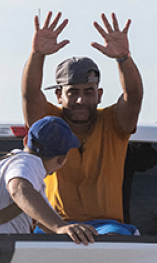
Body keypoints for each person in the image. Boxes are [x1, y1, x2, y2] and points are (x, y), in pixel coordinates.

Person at [21, 11, 143, 229]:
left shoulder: (113, 122)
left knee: (113, 242)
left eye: (88, 91)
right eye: (72, 92)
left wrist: (123, 58)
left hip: (106, 226)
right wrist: (37, 54)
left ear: (100, 93)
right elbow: (30, 95)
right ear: (59, 95)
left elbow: (133, 97)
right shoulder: (49, 123)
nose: (81, 100)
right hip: (54, 226)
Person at [0, 116, 98, 245]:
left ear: (25, 141)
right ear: (62, 159)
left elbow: (43, 220)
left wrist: (63, 229)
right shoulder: (28, 163)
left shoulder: (15, 163)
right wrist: (59, 227)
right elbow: (18, 188)